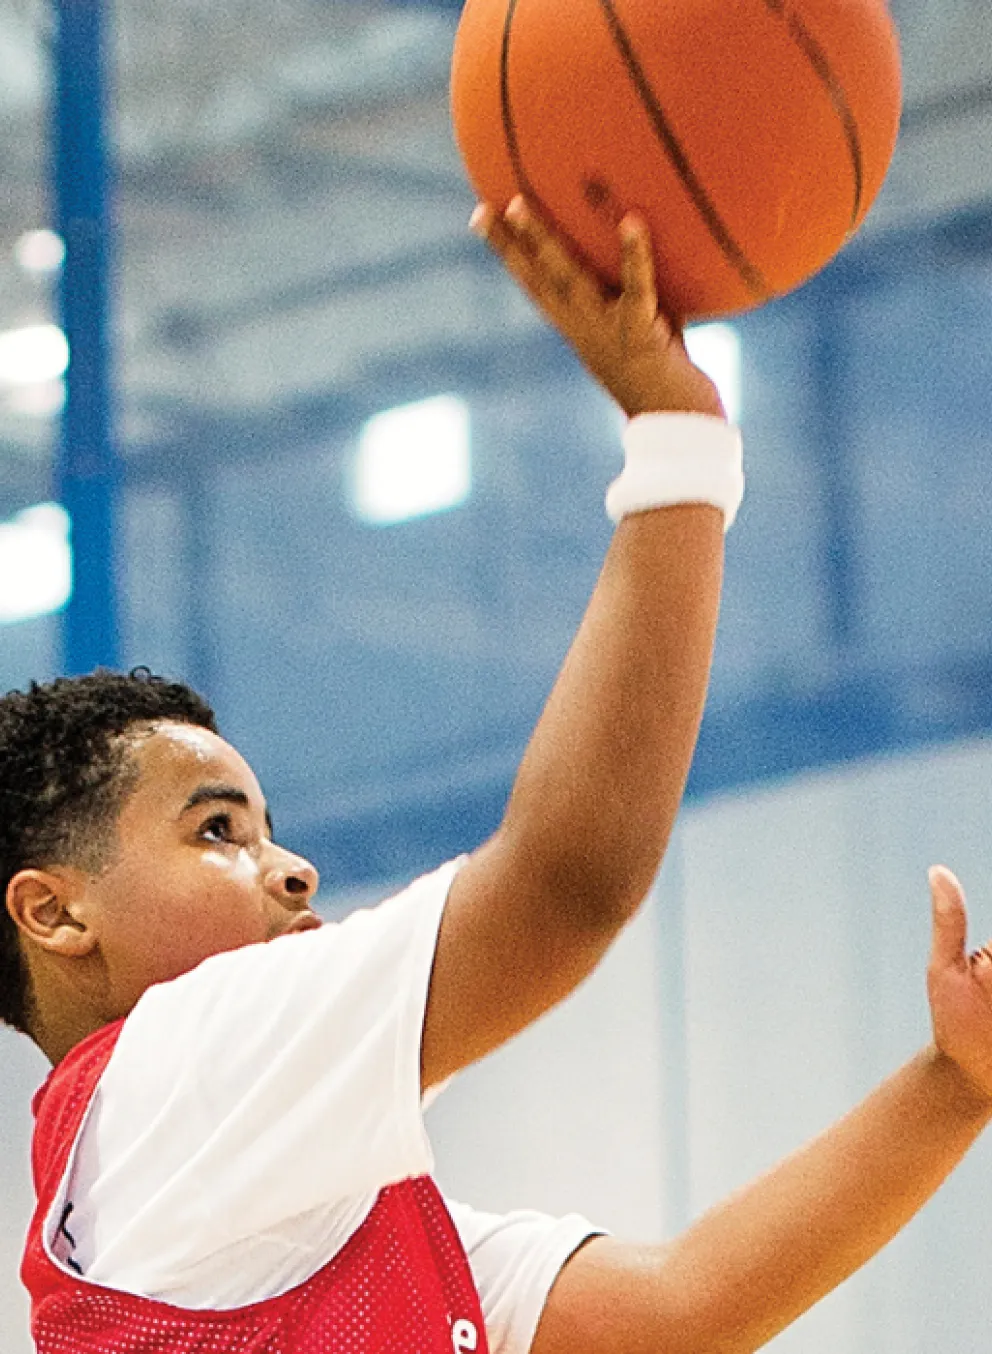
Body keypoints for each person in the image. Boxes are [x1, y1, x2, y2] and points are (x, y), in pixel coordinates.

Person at [3, 199, 992, 1354]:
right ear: (53, 910)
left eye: (266, 827)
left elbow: (680, 1308)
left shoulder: (279, 1207)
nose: (291, 865)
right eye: (216, 830)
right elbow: (562, 890)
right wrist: (678, 445)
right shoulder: (168, 1083)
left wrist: (953, 1084)